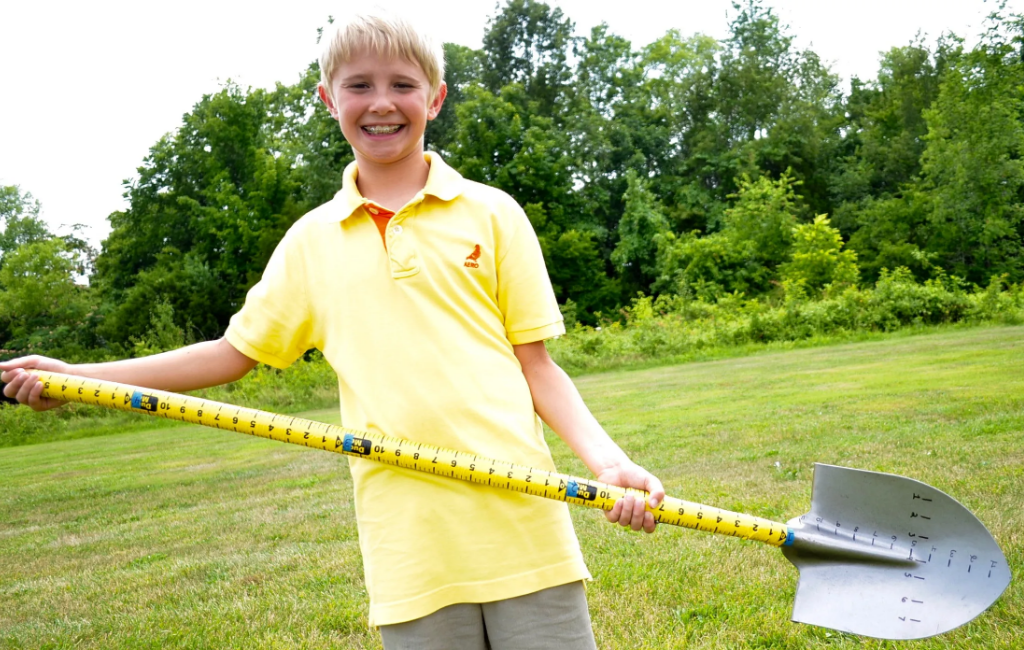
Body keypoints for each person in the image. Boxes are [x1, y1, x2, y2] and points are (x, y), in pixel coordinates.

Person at [0, 11, 664, 649]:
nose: (382, 102)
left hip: (525, 528)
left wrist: (608, 463)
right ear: (328, 98)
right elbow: (233, 353)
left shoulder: (492, 214)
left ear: (434, 98)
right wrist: (80, 378)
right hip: (410, 549)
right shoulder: (311, 241)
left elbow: (536, 366)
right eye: (360, 85)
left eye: (403, 84)